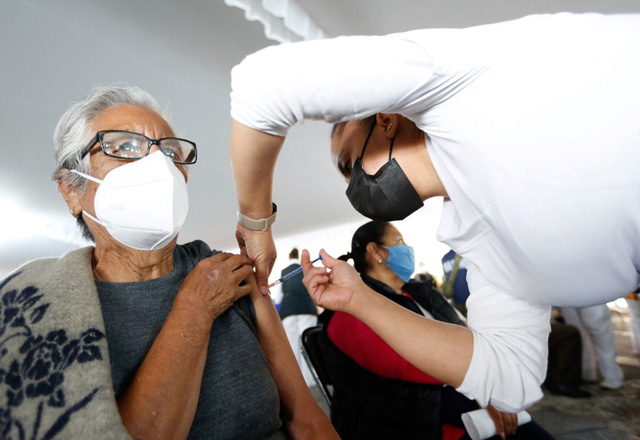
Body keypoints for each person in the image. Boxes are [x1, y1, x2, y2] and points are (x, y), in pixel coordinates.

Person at [228, 13, 640, 411]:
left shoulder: (452, 89)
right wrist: (359, 299)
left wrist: (256, 224)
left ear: (385, 119)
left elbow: (262, 85)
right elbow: (511, 376)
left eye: (350, 163)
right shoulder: (479, 243)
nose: (354, 187)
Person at [0, 85, 336, 440]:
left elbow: (307, 420)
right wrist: (195, 306)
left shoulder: (228, 272)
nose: (158, 164)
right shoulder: (40, 313)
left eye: (170, 151)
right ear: (71, 190)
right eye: (124, 146)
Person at [322, 220, 553, 440]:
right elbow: (408, 365)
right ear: (376, 251)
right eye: (399, 241)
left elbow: (464, 332)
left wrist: (488, 387)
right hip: (412, 419)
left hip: (459, 396)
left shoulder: (421, 293)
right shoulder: (351, 311)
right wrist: (484, 391)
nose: (407, 248)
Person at [275, 248, 318, 386]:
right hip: (307, 309)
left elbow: (278, 297)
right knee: (307, 343)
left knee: (293, 346)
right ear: (298, 257)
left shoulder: (284, 272)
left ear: (289, 258)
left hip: (289, 311)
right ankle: (311, 380)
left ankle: (298, 381)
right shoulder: (305, 269)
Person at [560, 305, 624, 390]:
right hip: (566, 300)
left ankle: (612, 375)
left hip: (591, 298)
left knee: (599, 329)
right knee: (575, 331)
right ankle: (586, 371)